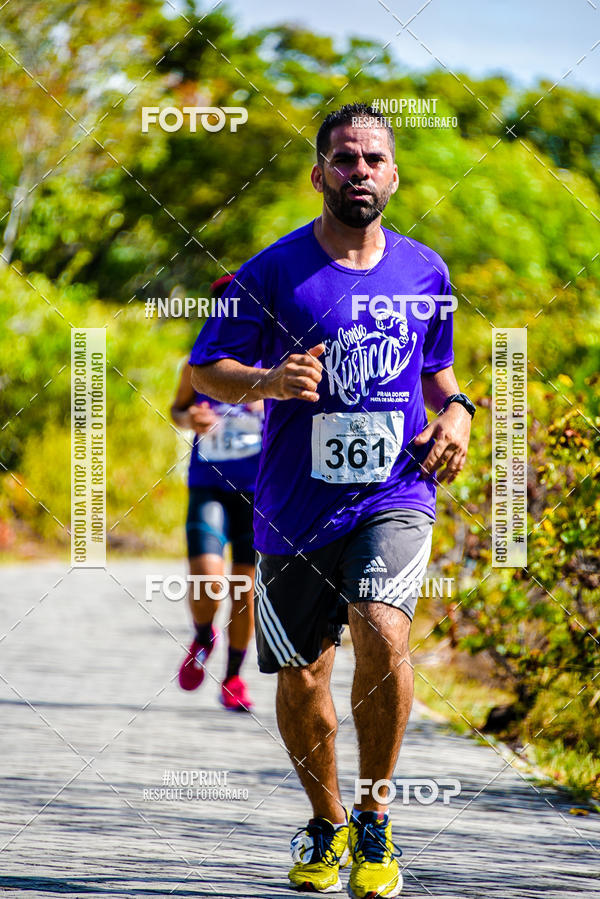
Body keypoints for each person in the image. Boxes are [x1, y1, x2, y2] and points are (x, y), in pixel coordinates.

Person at [189, 104, 474, 897]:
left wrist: (458, 412)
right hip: (294, 504)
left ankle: (376, 818)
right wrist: (269, 380)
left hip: (396, 490)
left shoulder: (426, 272)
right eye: (344, 159)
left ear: (394, 175)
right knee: (304, 674)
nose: (359, 171)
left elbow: (438, 374)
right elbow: (208, 368)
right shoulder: (271, 271)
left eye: (373, 159)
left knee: (382, 628)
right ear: (319, 174)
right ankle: (327, 821)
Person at [170, 273, 263, 712]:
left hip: (258, 490)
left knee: (244, 590)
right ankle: (203, 635)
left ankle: (233, 678)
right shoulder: (200, 360)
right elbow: (178, 409)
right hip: (209, 482)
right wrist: (191, 420)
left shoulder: (274, 360)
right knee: (208, 577)